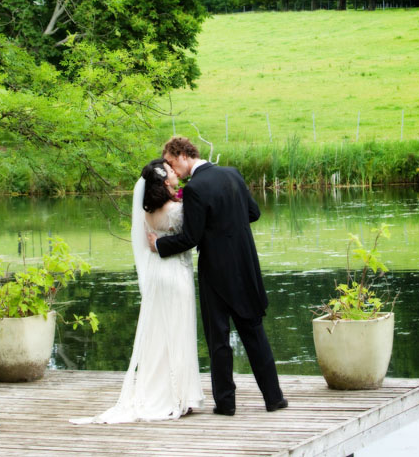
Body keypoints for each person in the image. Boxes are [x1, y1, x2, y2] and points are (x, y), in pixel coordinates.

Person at [148, 136, 287, 416]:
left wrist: (158, 245)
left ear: (183, 155)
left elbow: (190, 238)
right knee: (254, 333)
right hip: (246, 266)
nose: (173, 169)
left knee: (219, 339)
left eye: (172, 162)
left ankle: (226, 403)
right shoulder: (232, 173)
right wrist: (228, 224)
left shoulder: (196, 188)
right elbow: (254, 212)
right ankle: (274, 399)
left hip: (216, 273)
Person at [71, 158, 204, 424]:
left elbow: (150, 240)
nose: (175, 173)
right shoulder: (178, 209)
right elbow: (192, 236)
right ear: (165, 181)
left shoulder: (149, 211)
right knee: (178, 330)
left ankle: (163, 391)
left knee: (158, 334)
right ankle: (178, 396)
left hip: (157, 275)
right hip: (175, 274)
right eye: (170, 171)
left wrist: (161, 242)